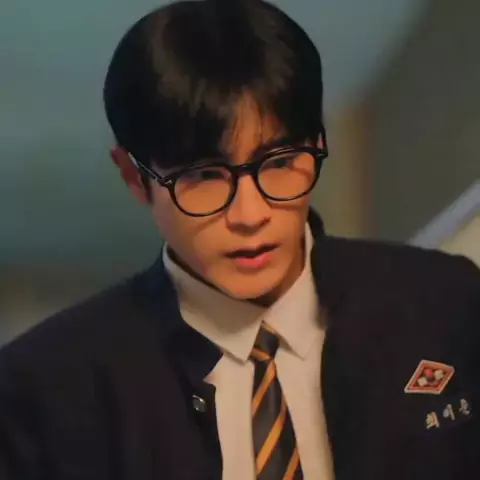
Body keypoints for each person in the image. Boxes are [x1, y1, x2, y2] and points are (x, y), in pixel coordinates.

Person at [1, 0, 479, 478]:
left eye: (280, 162)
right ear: (133, 175)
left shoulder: (446, 302)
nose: (250, 216)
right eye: (203, 175)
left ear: (318, 144)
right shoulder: (44, 389)